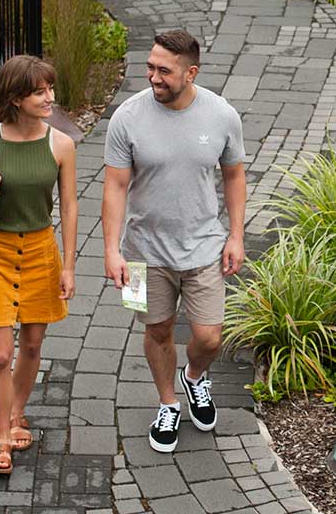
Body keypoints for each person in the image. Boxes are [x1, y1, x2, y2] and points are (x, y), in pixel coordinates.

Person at [101, 30, 248, 453]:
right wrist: (112, 250)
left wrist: (236, 236)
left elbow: (234, 175)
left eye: (164, 70)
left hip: (204, 246)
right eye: (150, 67)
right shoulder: (127, 118)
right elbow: (113, 188)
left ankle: (195, 377)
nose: (153, 77)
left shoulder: (222, 115)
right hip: (141, 253)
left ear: (191, 72)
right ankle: (168, 404)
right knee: (156, 329)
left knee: (209, 337)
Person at [0, 55, 80, 475]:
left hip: (42, 250)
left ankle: (17, 411)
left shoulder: (61, 144)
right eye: (39, 91)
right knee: (2, 355)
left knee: (34, 344)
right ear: (16, 97)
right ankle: (2, 439)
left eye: (50, 89)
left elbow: (71, 205)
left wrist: (69, 265)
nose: (50, 98)